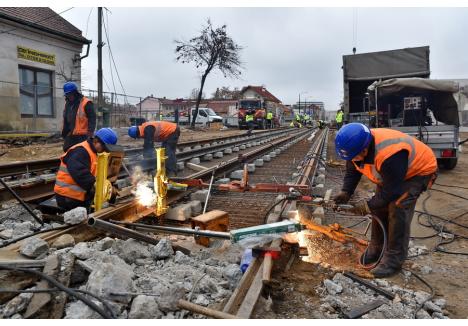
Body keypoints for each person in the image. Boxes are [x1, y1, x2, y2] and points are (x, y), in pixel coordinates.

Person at [333, 123, 437, 278]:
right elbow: (352, 170)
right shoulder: (354, 148)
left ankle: (393, 260)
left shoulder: (389, 154)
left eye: (355, 156)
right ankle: (377, 248)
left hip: (418, 170)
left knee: (397, 207)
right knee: (378, 206)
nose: (352, 160)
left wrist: (366, 207)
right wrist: (345, 192)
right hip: (393, 174)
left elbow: (391, 192)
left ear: (365, 148)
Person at [54, 128, 119, 211]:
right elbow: (80, 173)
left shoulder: (95, 153)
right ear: (95, 141)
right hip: (67, 197)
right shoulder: (81, 151)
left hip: (78, 195)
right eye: (104, 147)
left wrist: (109, 188)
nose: (105, 150)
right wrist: (97, 185)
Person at [61, 82, 96, 152]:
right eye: (67, 94)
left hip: (83, 136)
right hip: (71, 134)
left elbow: (92, 119)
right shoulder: (67, 104)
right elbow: (66, 119)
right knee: (67, 150)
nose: (69, 96)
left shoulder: (86, 103)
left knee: (81, 153)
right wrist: (64, 133)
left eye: (70, 94)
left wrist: (90, 134)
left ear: (75, 93)